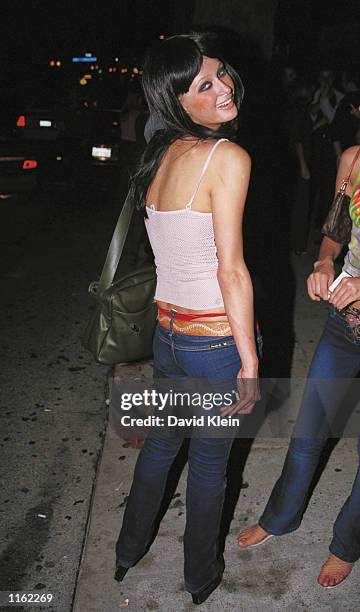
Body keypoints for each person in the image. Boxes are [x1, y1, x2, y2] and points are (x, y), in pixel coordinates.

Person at [113, 31, 261, 605]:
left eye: (221, 72)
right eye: (204, 84)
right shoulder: (226, 157)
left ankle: (127, 553)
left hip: (170, 335)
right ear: (177, 101)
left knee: (159, 448)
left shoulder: (158, 155)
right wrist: (249, 360)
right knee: (207, 468)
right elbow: (233, 273)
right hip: (214, 343)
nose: (224, 87)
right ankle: (200, 577)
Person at [237, 145, 360, 589]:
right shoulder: (354, 160)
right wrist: (326, 260)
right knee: (309, 434)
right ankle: (280, 518)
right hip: (344, 324)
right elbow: (335, 229)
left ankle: (346, 545)